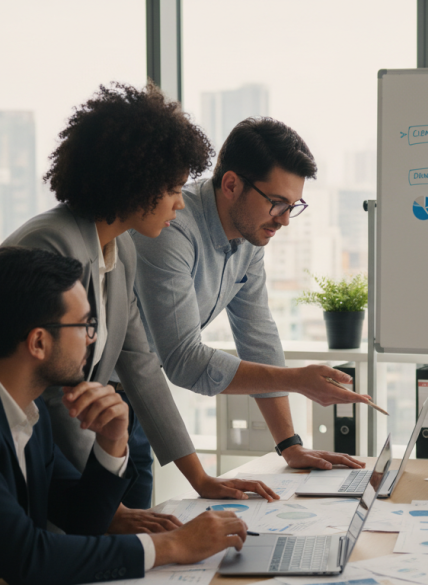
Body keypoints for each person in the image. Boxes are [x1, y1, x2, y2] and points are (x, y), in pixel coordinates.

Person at [0, 83, 363, 527]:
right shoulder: (58, 244)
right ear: (137, 183)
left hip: (85, 424)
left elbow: (142, 363)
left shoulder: (120, 250)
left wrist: (203, 476)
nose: (180, 202)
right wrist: (106, 506)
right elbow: (54, 392)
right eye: (173, 188)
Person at [0, 247, 250, 584]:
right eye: (85, 325)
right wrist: (170, 546)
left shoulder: (24, 406)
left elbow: (81, 521)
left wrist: (112, 443)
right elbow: (27, 559)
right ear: (39, 342)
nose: (92, 339)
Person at [132, 117, 370, 469]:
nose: (285, 219)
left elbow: (258, 334)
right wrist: (296, 380)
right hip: (86, 389)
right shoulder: (172, 229)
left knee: (136, 518)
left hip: (137, 394)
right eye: (277, 202)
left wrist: (290, 446)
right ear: (231, 185)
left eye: (293, 206)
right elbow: (183, 359)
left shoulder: (250, 237)